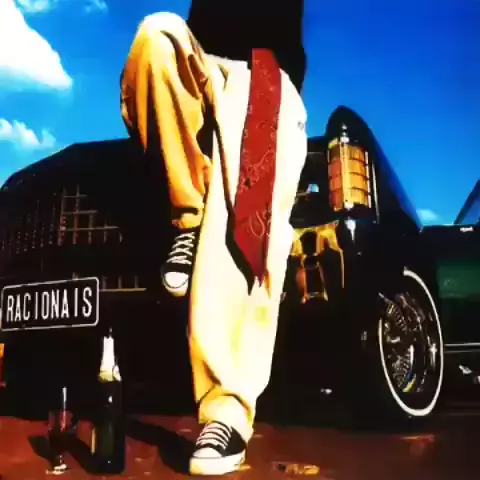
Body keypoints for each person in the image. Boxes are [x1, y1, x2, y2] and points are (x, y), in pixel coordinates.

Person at [120, 1, 307, 475]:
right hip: (205, 63)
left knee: (243, 204)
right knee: (157, 35)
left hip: (264, 70)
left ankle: (226, 409)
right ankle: (187, 219)